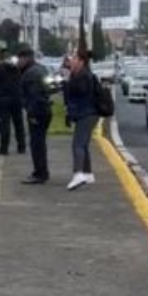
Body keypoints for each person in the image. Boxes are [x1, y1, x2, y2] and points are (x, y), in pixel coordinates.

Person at [63, 50, 101, 191]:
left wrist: (68, 80)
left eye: (73, 58)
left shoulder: (83, 75)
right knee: (83, 144)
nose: (71, 60)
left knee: (77, 144)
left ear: (81, 61)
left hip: (87, 114)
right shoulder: (80, 74)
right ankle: (88, 173)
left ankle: (78, 173)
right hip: (87, 113)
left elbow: (78, 92)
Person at [17, 47, 52, 185]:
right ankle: (41, 171)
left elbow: (34, 96)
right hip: (45, 109)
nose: (18, 62)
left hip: (37, 112)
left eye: (19, 59)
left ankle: (40, 173)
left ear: (26, 59)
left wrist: (32, 113)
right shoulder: (42, 69)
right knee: (39, 143)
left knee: (37, 144)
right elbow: (49, 88)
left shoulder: (30, 74)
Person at [0, 48, 26, 156]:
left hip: (4, 98)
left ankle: (4, 148)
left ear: (1, 57)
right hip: (17, 98)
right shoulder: (17, 67)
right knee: (19, 124)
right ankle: (21, 147)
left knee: (5, 124)